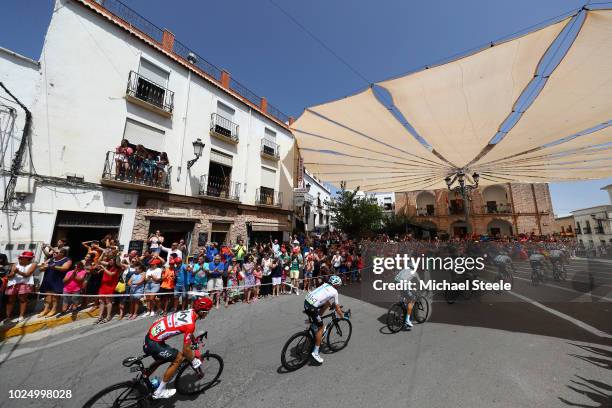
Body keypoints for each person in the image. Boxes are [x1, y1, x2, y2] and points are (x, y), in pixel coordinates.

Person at [143, 297, 213, 399]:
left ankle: (145, 376)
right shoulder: (191, 324)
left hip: (150, 336)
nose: (207, 314)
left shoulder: (189, 312)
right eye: (207, 312)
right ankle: (159, 392)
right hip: (154, 343)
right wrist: (193, 360)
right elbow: (186, 350)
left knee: (163, 357)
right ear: (202, 312)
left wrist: (193, 340)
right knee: (179, 358)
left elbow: (187, 331)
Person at [303, 275, 345, 364]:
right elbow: (338, 309)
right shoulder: (335, 292)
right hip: (312, 307)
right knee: (321, 327)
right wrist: (342, 316)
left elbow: (325, 298)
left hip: (307, 301)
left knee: (323, 308)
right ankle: (315, 353)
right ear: (336, 285)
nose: (338, 287)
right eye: (338, 285)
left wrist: (330, 306)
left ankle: (313, 326)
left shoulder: (325, 285)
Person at [3, 251, 37, 323]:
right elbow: (11, 275)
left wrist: (18, 272)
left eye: (21, 257)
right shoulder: (16, 264)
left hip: (24, 283)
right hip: (13, 283)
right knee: (10, 300)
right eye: (20, 257)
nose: (19, 258)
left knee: (22, 299)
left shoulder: (33, 264)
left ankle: (21, 316)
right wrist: (10, 275)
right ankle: (8, 317)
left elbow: (27, 274)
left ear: (28, 259)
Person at [38, 248, 72, 318]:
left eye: (56, 252)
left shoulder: (67, 260)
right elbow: (41, 269)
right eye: (54, 252)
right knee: (47, 296)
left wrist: (53, 267)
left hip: (58, 280)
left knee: (55, 297)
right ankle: (46, 309)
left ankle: (54, 309)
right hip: (48, 279)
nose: (54, 253)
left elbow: (65, 268)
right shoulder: (50, 259)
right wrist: (43, 267)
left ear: (62, 254)